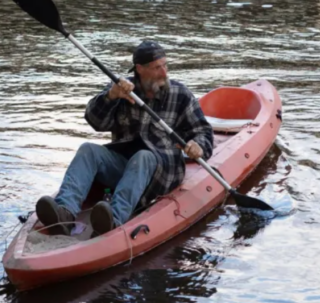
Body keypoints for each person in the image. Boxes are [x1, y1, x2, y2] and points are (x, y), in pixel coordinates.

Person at [36, 41, 214, 237]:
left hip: (162, 171)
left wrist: (199, 146)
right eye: (157, 68)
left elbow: (203, 131)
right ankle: (65, 212)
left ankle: (113, 218)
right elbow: (96, 122)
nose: (164, 73)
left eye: (165, 65)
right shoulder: (122, 89)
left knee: (143, 156)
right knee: (88, 149)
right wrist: (111, 96)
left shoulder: (180, 95)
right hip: (124, 164)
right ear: (140, 69)